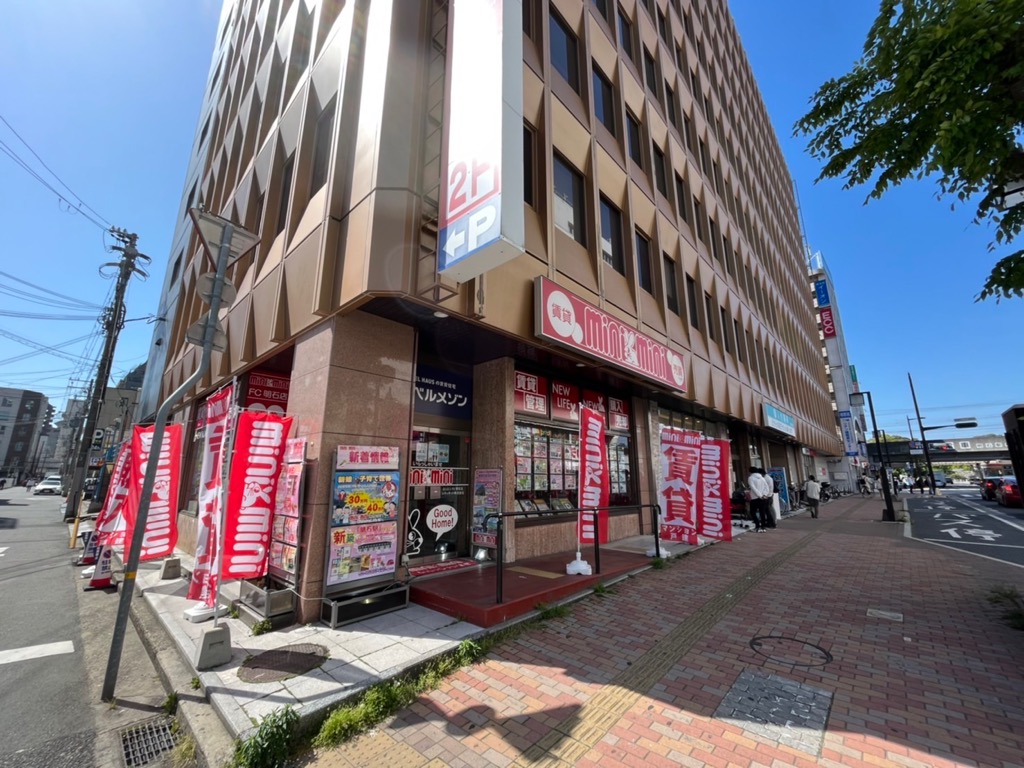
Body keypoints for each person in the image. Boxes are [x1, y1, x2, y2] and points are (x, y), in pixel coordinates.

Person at [746, 467, 773, 532]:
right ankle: (763, 527)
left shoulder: (750, 478)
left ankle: (757, 525)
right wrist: (764, 495)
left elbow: (753, 488)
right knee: (762, 512)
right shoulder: (762, 478)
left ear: (750, 472)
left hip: (755, 498)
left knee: (752, 512)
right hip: (763, 498)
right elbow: (766, 487)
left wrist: (759, 495)